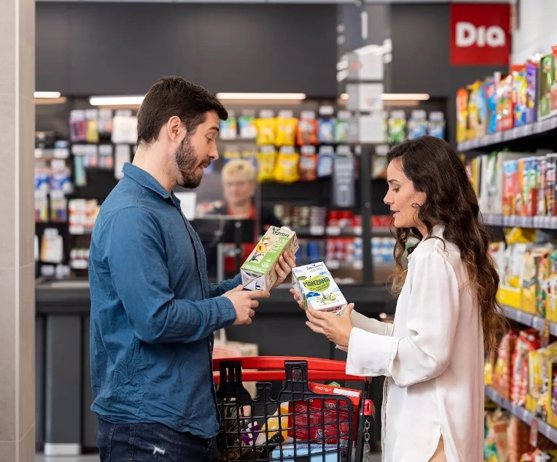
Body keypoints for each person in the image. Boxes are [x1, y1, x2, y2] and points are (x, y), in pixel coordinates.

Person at [88, 76, 295, 462]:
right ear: (175, 129)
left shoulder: (164, 207)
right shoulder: (133, 214)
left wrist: (251, 282)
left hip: (183, 418)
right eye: (210, 136)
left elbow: (189, 300)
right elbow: (154, 319)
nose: (215, 152)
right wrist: (226, 308)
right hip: (147, 426)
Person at [297, 136, 505, 462]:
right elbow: (412, 338)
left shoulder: (432, 257)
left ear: (426, 190)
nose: (387, 198)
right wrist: (343, 321)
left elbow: (427, 354)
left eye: (395, 187)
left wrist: (352, 339)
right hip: (442, 430)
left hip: (431, 436)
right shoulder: (451, 248)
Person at [203, 158, 282, 277]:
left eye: (240, 184)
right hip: (220, 282)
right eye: (229, 184)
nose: (234, 189)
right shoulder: (214, 217)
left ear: (252, 185)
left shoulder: (267, 217)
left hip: (259, 281)